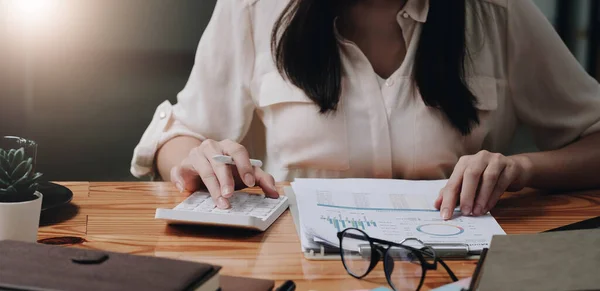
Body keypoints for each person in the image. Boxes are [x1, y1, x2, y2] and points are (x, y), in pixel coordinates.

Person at [131, 0, 600, 220]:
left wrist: (519, 168)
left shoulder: (498, 12)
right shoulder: (255, 8)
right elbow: (180, 136)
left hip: (457, 266)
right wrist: (201, 158)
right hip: (293, 265)